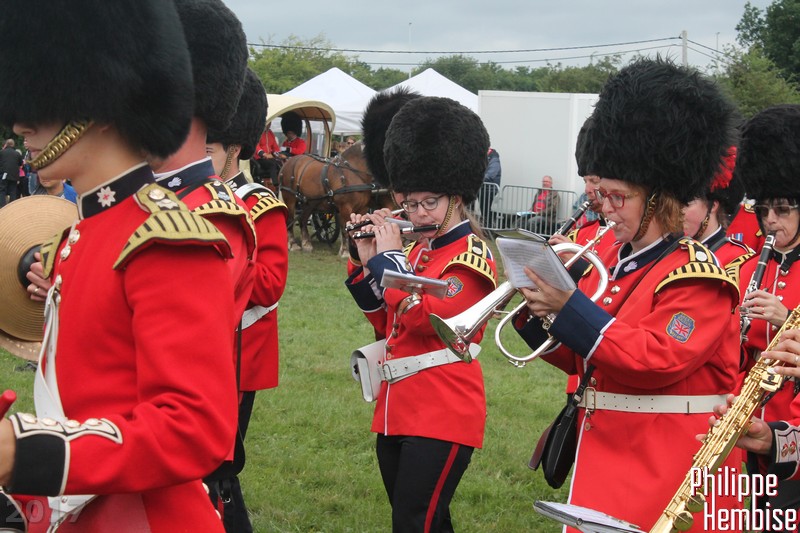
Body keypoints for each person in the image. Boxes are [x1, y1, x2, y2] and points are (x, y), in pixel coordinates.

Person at [0, 1, 238, 531]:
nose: (20, 123)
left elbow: (194, 428)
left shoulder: (165, 238)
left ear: (100, 103)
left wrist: (28, 451)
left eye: (44, 102)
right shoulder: (78, 234)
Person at [515, 58, 742, 530]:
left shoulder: (698, 274)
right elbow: (586, 361)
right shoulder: (618, 262)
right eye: (603, 196)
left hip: (664, 463)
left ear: (657, 198)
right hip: (607, 450)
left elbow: (657, 358)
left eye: (618, 197)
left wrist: (570, 308)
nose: (605, 209)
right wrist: (538, 310)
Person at [346, 95, 497, 532]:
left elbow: (425, 320)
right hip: (398, 406)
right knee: (422, 522)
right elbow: (388, 324)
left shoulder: (470, 256)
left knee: (415, 523)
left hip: (443, 409)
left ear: (456, 197)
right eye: (410, 204)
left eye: (429, 202)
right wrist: (366, 261)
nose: (418, 213)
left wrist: (391, 262)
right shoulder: (416, 252)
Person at [205, 67, 289, 533]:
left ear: (234, 149)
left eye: (207, 150)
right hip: (199, 345)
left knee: (219, 467)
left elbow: (270, 284)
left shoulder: (260, 205)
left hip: (238, 353)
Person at [734, 104, 800, 512]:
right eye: (764, 211)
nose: (771, 221)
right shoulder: (747, 269)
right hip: (755, 417)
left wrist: (785, 318)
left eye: (783, 209)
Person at [682, 146, 753, 269]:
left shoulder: (737, 258)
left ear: (713, 206)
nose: (679, 211)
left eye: (688, 203)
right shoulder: (673, 252)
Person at [252, 121, 281, 186]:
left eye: (269, 123)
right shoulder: (258, 133)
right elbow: (256, 145)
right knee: (272, 164)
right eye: (267, 123)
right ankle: (275, 184)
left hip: (270, 157)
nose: (268, 125)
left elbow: (275, 147)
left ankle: (281, 182)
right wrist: (263, 154)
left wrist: (277, 154)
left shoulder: (270, 133)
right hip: (259, 158)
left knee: (280, 164)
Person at [478, 147, 501, 226]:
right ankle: (488, 225)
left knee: (485, 210)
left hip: (489, 189)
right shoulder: (486, 158)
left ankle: (489, 226)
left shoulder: (494, 159)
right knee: (484, 209)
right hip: (482, 188)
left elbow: (491, 175)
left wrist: (476, 179)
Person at [0, 138, 22, 207]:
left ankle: (3, 206)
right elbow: (20, 163)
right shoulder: (17, 154)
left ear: (6, 144)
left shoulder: (2, 152)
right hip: (14, 175)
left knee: (2, 190)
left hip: (4, 174)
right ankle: (12, 207)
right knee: (13, 191)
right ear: (13, 145)